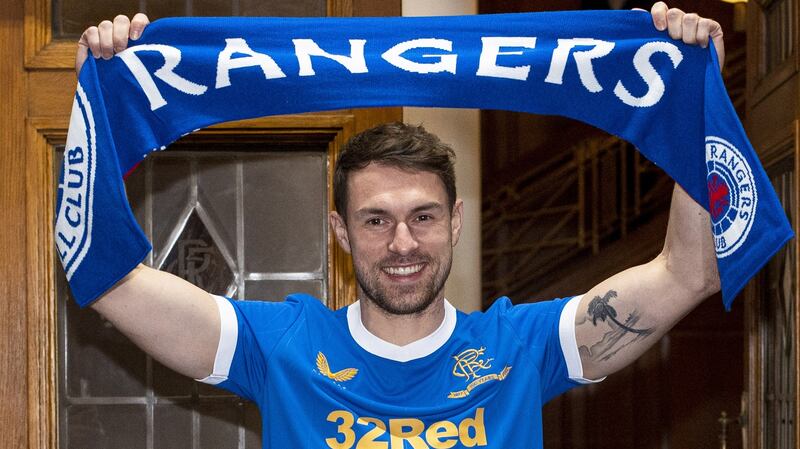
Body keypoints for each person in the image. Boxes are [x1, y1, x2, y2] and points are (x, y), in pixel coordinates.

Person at [73, 2, 725, 448]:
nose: (403, 242)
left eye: (423, 216)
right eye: (375, 219)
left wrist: (699, 100)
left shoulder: (520, 348)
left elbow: (688, 271)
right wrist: (100, 105)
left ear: (457, 221)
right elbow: (109, 279)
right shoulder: (281, 345)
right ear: (341, 230)